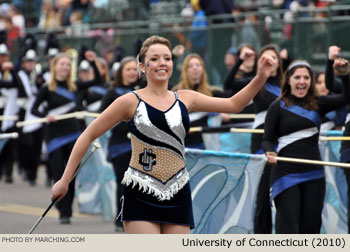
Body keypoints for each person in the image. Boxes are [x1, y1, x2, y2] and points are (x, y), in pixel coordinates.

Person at [51, 35, 276, 234]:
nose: (162, 63)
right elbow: (87, 135)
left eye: (167, 58)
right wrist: (64, 180)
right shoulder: (129, 101)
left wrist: (260, 77)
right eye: (155, 58)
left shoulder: (186, 98)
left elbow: (234, 104)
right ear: (143, 66)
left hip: (178, 189)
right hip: (141, 190)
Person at [262, 59, 350, 233]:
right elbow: (267, 139)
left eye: (306, 78)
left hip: (314, 173)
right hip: (285, 173)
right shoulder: (277, 106)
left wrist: (345, 75)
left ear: (310, 81)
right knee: (289, 229)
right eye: (297, 77)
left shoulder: (319, 103)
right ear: (288, 80)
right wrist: (269, 151)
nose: (302, 81)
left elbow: (347, 97)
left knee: (311, 229)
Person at [31, 50, 97, 224]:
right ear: (55, 66)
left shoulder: (74, 86)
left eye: (68, 65)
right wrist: (46, 115)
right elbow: (34, 109)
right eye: (62, 64)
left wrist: (92, 62)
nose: (65, 67)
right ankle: (63, 211)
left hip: (73, 135)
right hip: (54, 138)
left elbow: (97, 80)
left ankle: (67, 208)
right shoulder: (47, 88)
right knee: (58, 173)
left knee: (71, 175)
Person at [99, 56, 143, 232]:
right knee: (123, 181)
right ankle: (120, 218)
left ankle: (137, 217)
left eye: (134, 69)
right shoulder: (113, 92)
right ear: (121, 72)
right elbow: (101, 115)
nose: (132, 72)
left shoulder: (143, 90)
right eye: (128, 69)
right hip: (120, 144)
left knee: (140, 183)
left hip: (140, 144)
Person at [172, 53, 226, 149]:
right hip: (182, 146)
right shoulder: (175, 93)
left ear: (202, 69)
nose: (195, 68)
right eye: (190, 66)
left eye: (198, 65)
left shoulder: (212, 93)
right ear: (185, 71)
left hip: (203, 146)